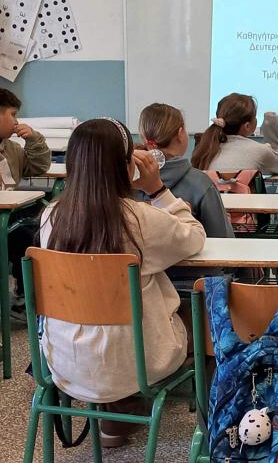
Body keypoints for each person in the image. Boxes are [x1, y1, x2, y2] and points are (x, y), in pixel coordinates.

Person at [38, 118, 206, 446]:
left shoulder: (51, 216)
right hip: (135, 364)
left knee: (107, 323)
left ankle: (115, 412)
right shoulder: (140, 219)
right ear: (128, 165)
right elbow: (195, 237)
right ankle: (206, 427)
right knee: (199, 315)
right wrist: (158, 190)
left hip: (65, 360)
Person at [138, 103, 233, 239]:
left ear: (144, 138)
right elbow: (223, 238)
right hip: (192, 252)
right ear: (180, 134)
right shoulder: (201, 183)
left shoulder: (125, 181)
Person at [0, 88, 51, 323]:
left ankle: (25, 297)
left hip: (10, 216)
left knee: (40, 234)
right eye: (12, 114)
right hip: (5, 219)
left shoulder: (10, 148)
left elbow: (38, 167)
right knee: (26, 240)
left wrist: (34, 140)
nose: (16, 121)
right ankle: (20, 300)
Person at [191, 93, 278, 175]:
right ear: (247, 126)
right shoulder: (260, 150)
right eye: (255, 116)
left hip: (211, 193)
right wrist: (271, 124)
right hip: (245, 193)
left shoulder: (205, 150)